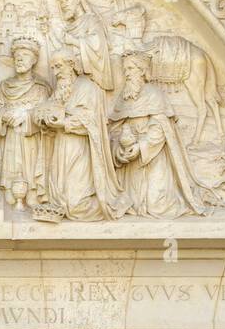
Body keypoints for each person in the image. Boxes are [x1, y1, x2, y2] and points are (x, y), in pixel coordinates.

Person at [110, 51, 209, 218]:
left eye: (130, 69)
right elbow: (115, 129)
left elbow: (160, 129)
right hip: (130, 162)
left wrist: (140, 147)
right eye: (125, 69)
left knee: (158, 205)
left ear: (141, 71)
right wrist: (119, 148)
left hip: (152, 157)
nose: (126, 73)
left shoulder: (153, 94)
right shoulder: (124, 97)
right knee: (129, 201)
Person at [35, 47, 127, 221]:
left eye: (58, 66)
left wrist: (64, 123)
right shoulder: (61, 90)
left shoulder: (88, 88)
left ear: (71, 65)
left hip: (81, 149)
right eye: (53, 68)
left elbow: (92, 122)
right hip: (61, 147)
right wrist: (43, 117)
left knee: (76, 205)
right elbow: (49, 107)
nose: (55, 72)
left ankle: (105, 202)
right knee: (60, 198)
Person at [0, 35, 51, 210]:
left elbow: (47, 115)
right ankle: (10, 187)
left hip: (31, 141)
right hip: (10, 140)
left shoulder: (41, 87)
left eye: (24, 55)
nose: (19, 58)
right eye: (16, 55)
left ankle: (33, 189)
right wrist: (3, 114)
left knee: (31, 179)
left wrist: (25, 115)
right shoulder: (5, 86)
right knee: (10, 196)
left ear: (34, 60)